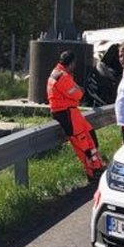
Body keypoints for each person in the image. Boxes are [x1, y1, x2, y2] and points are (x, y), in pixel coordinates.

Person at [47, 51, 104, 180]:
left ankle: (97, 165)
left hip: (71, 111)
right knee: (82, 142)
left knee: (90, 136)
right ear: (72, 63)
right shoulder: (62, 76)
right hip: (66, 113)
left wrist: (77, 90)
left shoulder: (60, 74)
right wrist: (79, 90)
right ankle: (92, 171)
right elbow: (77, 94)